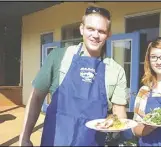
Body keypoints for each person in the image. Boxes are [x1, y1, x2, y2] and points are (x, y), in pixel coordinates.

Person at [19, 6, 128, 146]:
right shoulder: (58, 57)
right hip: (55, 140)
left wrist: (116, 123)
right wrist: (25, 136)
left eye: (101, 31)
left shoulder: (116, 70)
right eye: (90, 29)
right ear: (81, 29)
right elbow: (36, 97)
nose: (95, 35)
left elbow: (119, 111)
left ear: (108, 34)